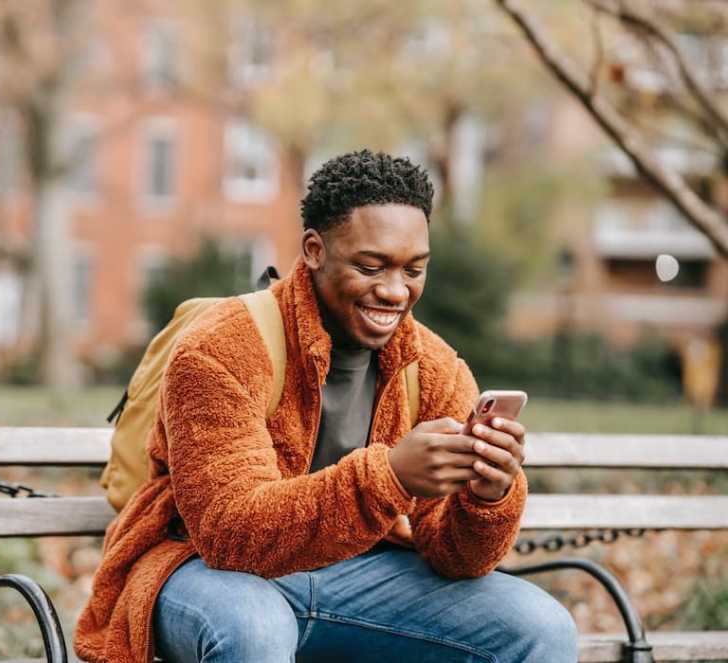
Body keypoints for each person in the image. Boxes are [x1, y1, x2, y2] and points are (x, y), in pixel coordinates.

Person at [75, 150, 578, 663]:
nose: (394, 291)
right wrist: (391, 477)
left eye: (414, 269)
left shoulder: (434, 368)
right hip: (201, 571)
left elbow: (457, 557)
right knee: (254, 627)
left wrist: (488, 495)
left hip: (358, 576)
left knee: (541, 628)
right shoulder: (222, 346)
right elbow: (230, 535)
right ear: (314, 250)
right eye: (370, 266)